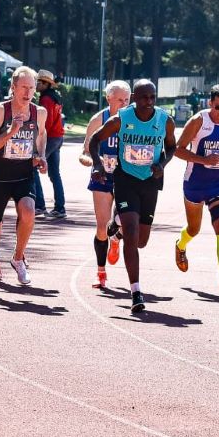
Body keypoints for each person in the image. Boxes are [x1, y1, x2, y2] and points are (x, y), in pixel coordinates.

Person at [89, 79, 176, 314]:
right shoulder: (121, 119)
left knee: (141, 241)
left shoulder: (164, 120)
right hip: (126, 178)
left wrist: (162, 163)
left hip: (150, 181)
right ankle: (136, 291)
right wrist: (97, 165)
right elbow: (95, 140)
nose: (149, 102)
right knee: (132, 232)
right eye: (144, 97)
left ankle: (115, 228)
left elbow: (172, 147)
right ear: (135, 98)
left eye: (152, 97)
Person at [0, 66, 48, 295]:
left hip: (24, 174)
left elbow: (41, 135)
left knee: (28, 212)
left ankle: (18, 258)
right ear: (13, 87)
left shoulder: (39, 112)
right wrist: (10, 132)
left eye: (32, 87)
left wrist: (41, 156)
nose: (28, 92)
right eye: (24, 87)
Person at [173, 84, 219, 292]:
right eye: (218, 107)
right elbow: (178, 150)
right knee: (194, 229)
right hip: (195, 183)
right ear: (210, 103)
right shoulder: (199, 121)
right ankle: (180, 245)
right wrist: (203, 159)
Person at [78, 80, 131, 288]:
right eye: (120, 100)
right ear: (109, 98)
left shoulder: (133, 119)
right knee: (101, 227)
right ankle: (101, 272)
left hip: (127, 177)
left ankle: (116, 237)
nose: (124, 104)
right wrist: (93, 162)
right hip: (102, 178)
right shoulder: (98, 119)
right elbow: (84, 152)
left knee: (127, 223)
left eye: (127, 100)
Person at [33, 69, 67, 218]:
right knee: (54, 173)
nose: (35, 85)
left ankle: (39, 205)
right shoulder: (55, 97)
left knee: (31, 167)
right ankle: (60, 208)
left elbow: (45, 122)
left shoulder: (46, 99)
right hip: (57, 137)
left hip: (50, 138)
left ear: (45, 83)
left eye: (38, 82)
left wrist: (38, 141)